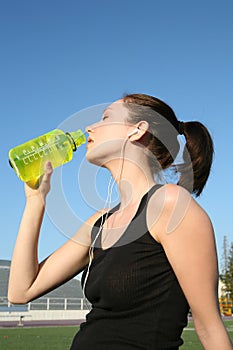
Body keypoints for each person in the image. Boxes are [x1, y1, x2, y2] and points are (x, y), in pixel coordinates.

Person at [8, 93, 232, 350]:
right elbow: (20, 291)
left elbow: (209, 327)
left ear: (137, 130)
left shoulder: (170, 205)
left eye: (105, 118)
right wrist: (35, 201)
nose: (90, 127)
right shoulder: (100, 222)